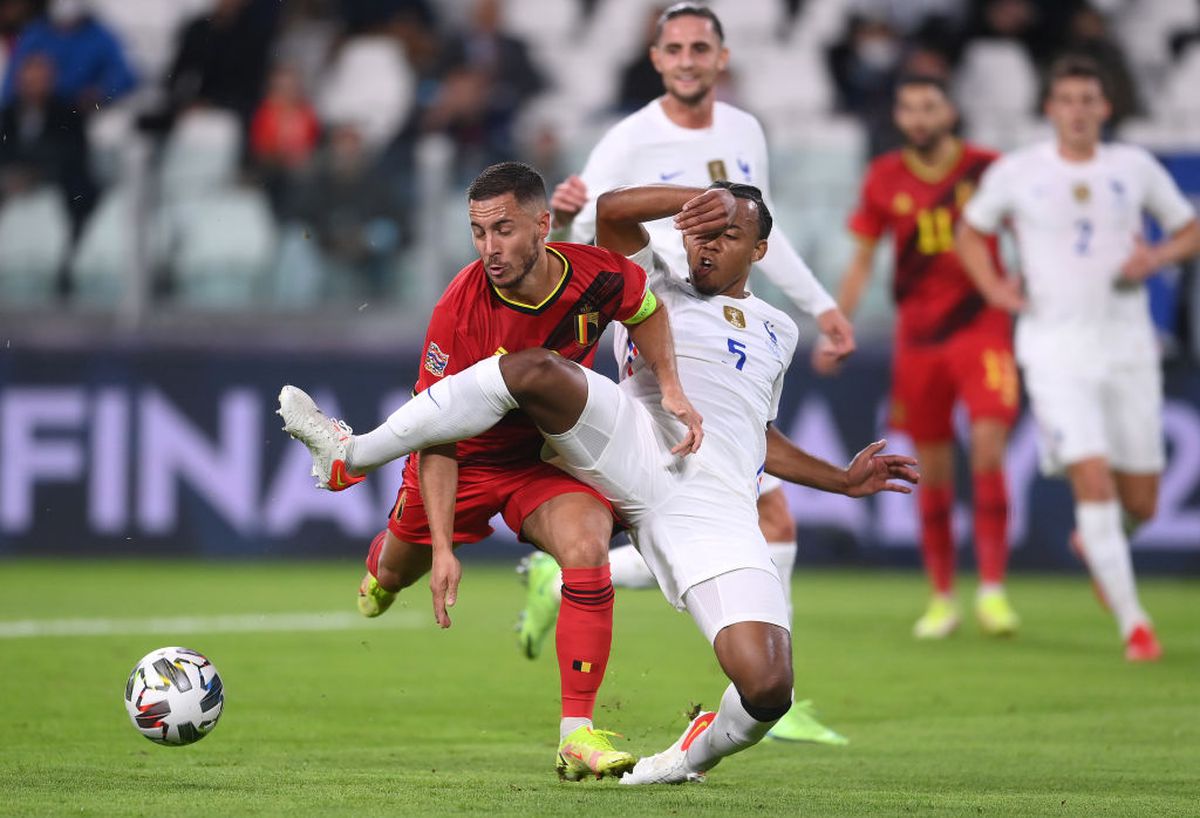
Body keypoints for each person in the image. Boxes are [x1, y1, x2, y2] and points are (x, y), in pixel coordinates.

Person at [279, 180, 918, 783]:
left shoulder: (780, 331)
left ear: (760, 250)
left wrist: (840, 479)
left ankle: (685, 757)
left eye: (728, 233)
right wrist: (700, 196)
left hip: (711, 508)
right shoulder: (652, 276)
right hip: (632, 436)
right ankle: (353, 453)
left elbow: (756, 436)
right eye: (703, 228)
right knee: (533, 370)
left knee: (768, 687)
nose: (708, 243)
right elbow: (613, 210)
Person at [301, 160, 700, 780]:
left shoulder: (595, 276)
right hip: (460, 460)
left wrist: (670, 386)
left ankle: (576, 734)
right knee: (394, 571)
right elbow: (434, 434)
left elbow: (645, 307)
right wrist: (440, 550)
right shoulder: (459, 308)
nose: (490, 248)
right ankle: (382, 565)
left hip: (538, 460)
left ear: (544, 224)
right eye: (478, 232)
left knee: (586, 544)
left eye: (504, 230)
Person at [529, 1, 856, 745]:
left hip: (728, 329)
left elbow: (763, 224)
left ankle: (765, 683)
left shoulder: (745, 132)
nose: (685, 58)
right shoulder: (629, 138)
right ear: (655, 58)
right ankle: (774, 691)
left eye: (698, 47)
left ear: (721, 57)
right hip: (662, 319)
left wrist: (821, 304)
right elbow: (595, 236)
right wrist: (571, 212)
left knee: (760, 514)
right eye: (672, 47)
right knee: (749, 512)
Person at [957, 56, 1200, 662]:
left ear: (1106, 107)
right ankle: (1134, 625)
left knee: (1140, 501)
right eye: (1067, 99)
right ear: (1050, 109)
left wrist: (1156, 258)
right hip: (1054, 350)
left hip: (1128, 350)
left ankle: (1099, 544)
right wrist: (994, 289)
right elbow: (970, 231)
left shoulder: (1134, 167)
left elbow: (1190, 228)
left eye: (1088, 99)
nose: (1078, 110)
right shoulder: (1020, 172)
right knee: (1091, 477)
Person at [815, 74, 1019, 639]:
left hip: (982, 328)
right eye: (909, 108)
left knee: (986, 444)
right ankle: (943, 597)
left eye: (929, 106)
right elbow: (861, 260)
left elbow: (1034, 227)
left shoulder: (989, 168)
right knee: (932, 467)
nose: (919, 117)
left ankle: (995, 591)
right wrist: (838, 323)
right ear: (900, 118)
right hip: (919, 338)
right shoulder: (884, 177)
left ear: (950, 111)